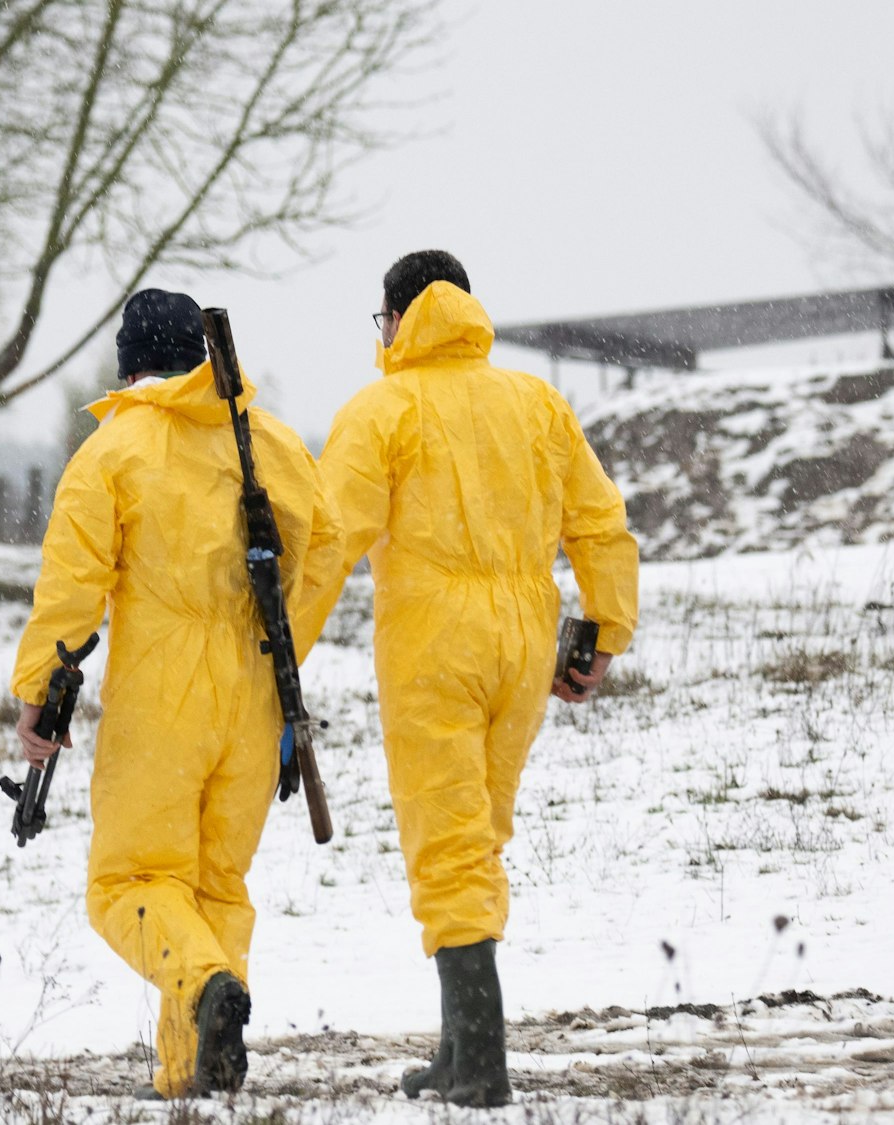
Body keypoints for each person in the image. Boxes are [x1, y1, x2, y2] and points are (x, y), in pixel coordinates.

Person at [297, 250, 639, 1107]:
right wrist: (600, 630)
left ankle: (479, 1061)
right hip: (524, 641)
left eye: (383, 320)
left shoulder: (380, 411)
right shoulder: (537, 404)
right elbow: (599, 520)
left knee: (447, 841)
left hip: (432, 644)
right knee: (478, 831)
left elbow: (331, 539)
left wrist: (279, 654)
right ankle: (459, 1048)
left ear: (400, 318)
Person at [10, 288, 342, 1099]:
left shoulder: (115, 451)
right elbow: (326, 543)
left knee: (127, 884)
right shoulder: (264, 439)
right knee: (213, 885)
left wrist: (36, 695)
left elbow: (70, 589)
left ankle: (203, 987)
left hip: (162, 689)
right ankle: (191, 1067)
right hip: (256, 689)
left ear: (131, 365)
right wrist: (277, 633)